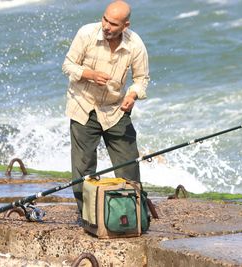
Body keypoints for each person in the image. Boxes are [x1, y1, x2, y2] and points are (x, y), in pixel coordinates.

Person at [62, 0, 149, 215]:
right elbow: (68, 65)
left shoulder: (135, 44)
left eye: (113, 24)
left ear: (125, 26)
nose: (106, 26)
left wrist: (132, 95)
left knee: (129, 165)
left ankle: (134, 215)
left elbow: (141, 78)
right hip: (83, 106)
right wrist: (89, 74)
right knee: (84, 170)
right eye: (105, 19)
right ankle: (89, 217)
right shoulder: (86, 34)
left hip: (115, 110)